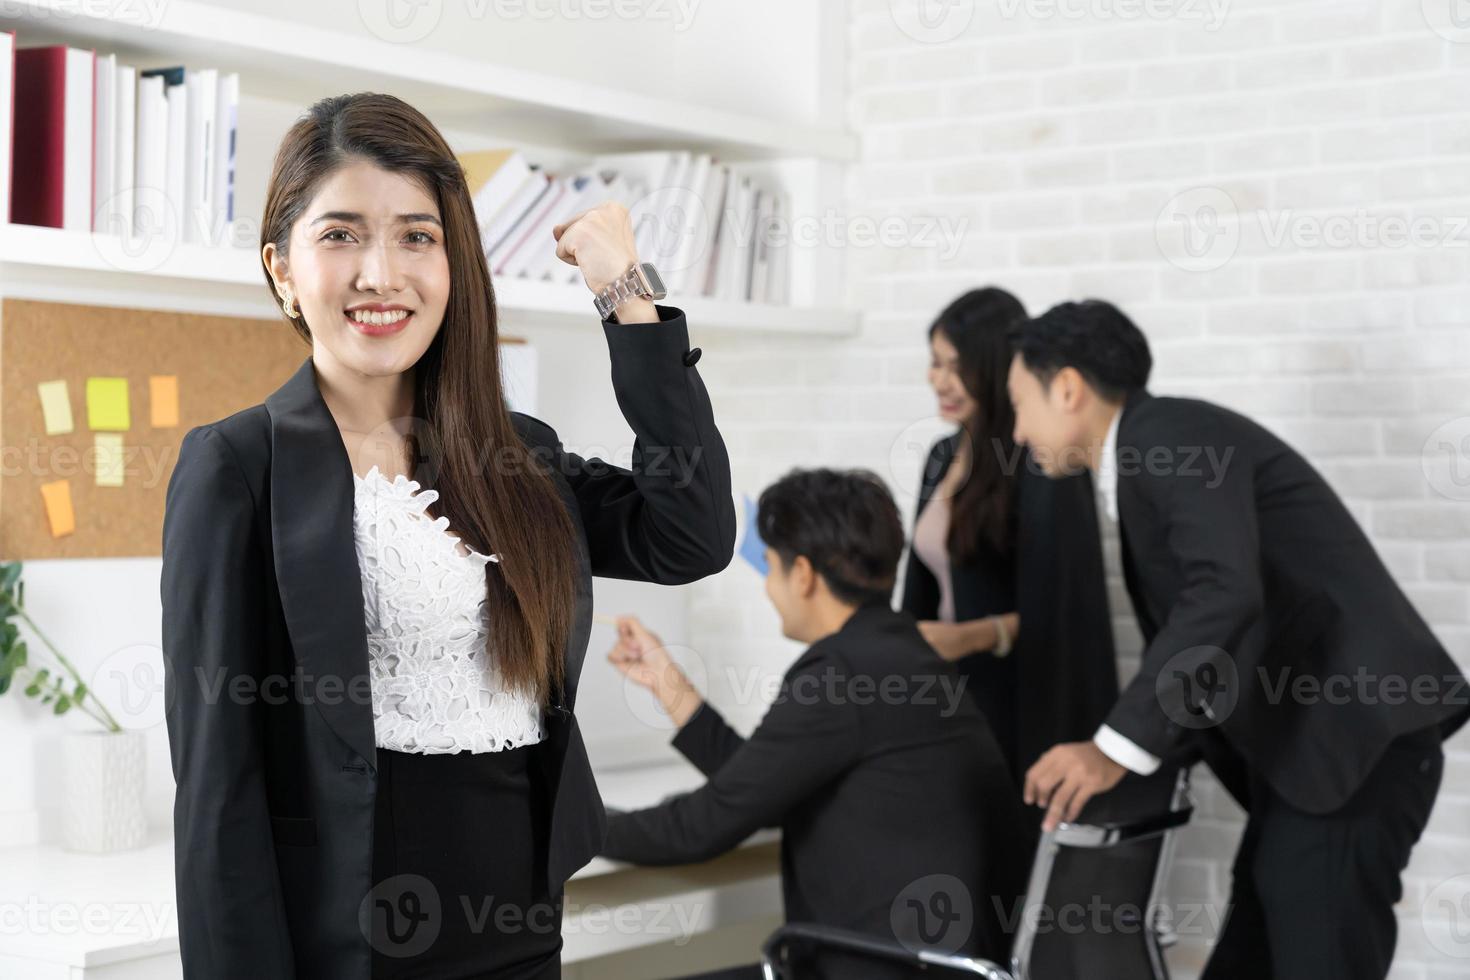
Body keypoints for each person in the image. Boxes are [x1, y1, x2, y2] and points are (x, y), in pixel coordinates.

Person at [160, 92, 735, 979]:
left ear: (455, 262)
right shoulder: (238, 468)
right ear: (282, 268)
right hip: (352, 945)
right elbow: (218, 800)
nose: (381, 274)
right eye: (342, 234)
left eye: (416, 237)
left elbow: (689, 534)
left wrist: (627, 296)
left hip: (521, 926)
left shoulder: (518, 457)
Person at [1008, 299, 1470, 980]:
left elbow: (1224, 594)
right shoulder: (1152, 451)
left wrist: (1113, 749)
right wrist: (1143, 754)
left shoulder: (1168, 437)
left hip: (1353, 747)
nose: (1017, 432)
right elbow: (1224, 625)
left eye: (1020, 404)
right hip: (1318, 759)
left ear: (1068, 388)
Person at [598, 468, 1034, 979]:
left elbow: (701, 828)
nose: (770, 589)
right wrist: (669, 686)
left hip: (880, 968)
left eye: (774, 569)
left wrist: (578, 824)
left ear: (802, 574)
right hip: (947, 966)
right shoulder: (903, 652)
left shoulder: (841, 674)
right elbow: (764, 783)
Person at [900, 286, 1118, 783]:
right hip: (945, 700)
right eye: (935, 364)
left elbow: (1065, 613)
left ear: (998, 368)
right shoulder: (941, 455)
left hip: (1017, 703)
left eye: (957, 367)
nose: (940, 381)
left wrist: (971, 636)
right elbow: (920, 595)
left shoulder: (1043, 460)